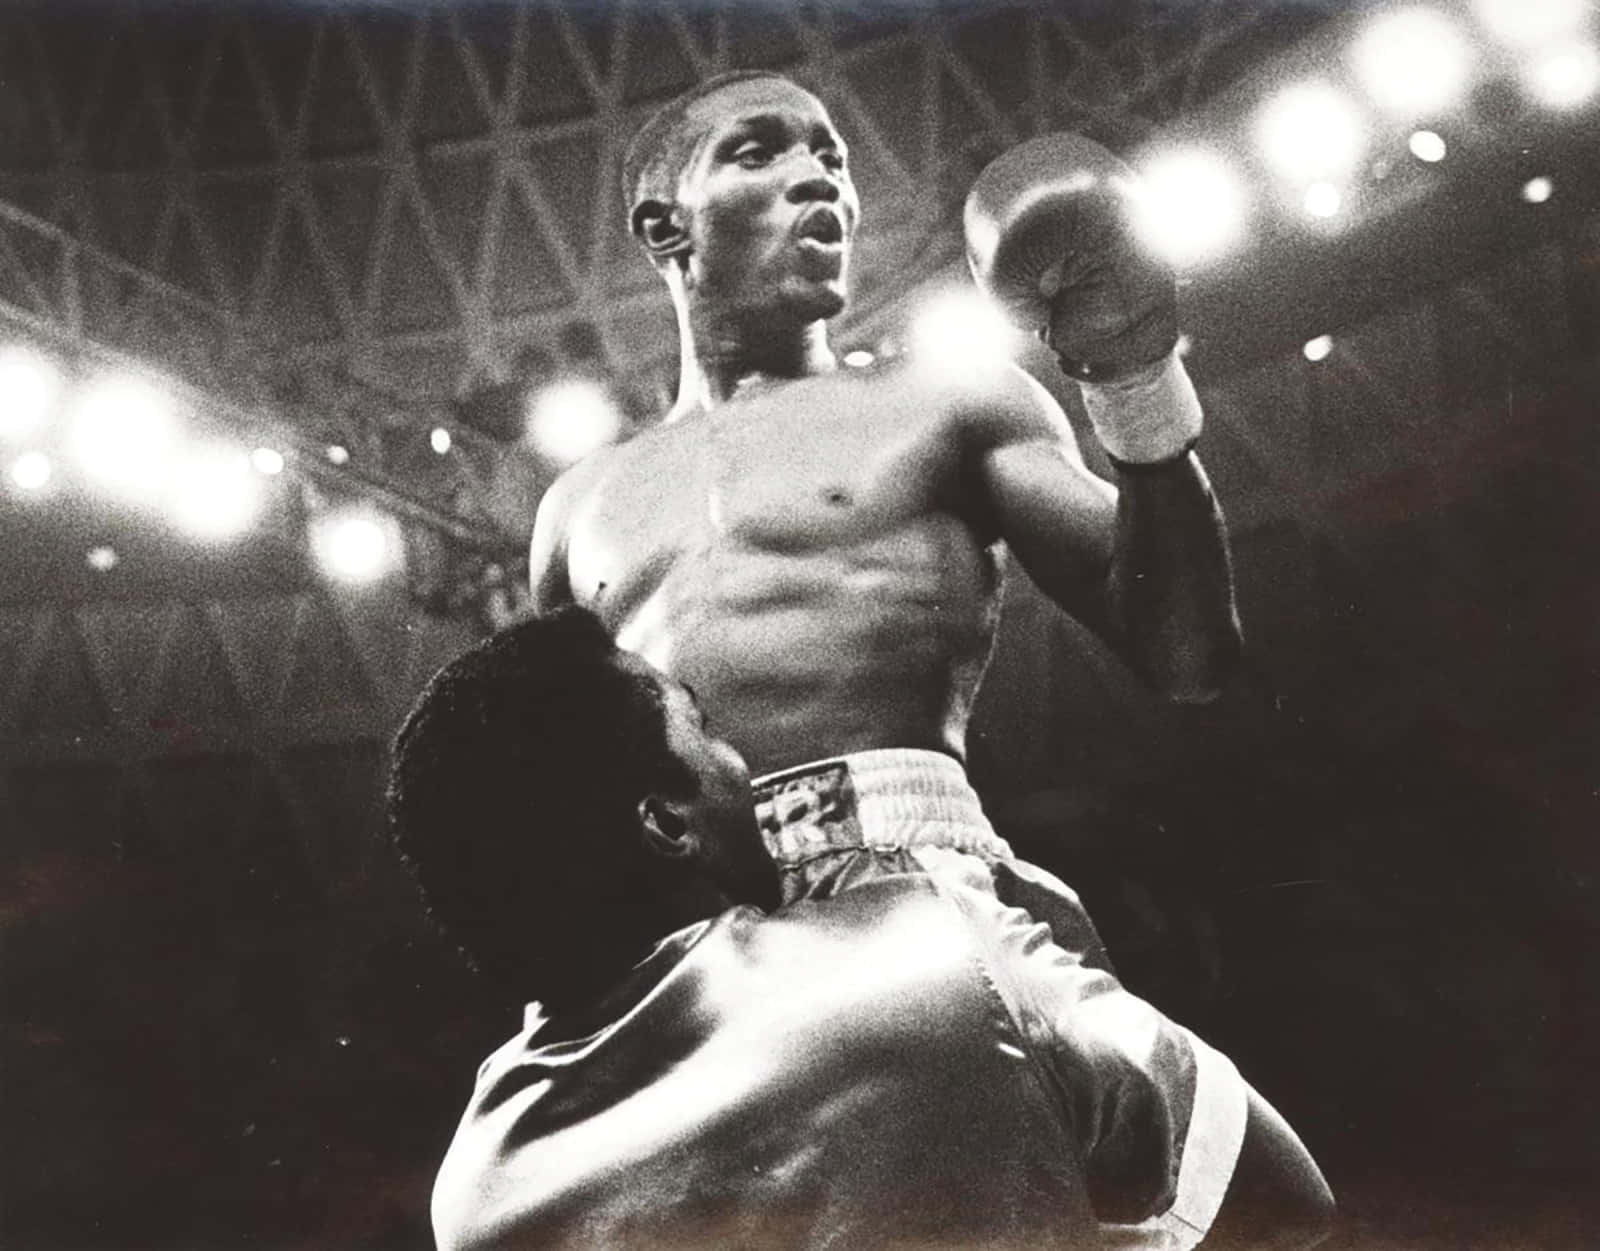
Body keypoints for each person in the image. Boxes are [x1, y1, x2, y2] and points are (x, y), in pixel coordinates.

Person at [526, 71, 1241, 922]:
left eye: (832, 156)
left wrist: (1134, 378)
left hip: (922, 883)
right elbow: (566, 800)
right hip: (685, 929)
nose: (818, 173)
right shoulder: (576, 508)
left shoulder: (952, 400)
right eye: (758, 151)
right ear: (664, 225)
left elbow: (1188, 658)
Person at [387, 609, 1333, 1250]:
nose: (742, 762)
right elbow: (1285, 1196)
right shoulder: (932, 941)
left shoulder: (472, 1195)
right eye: (702, 726)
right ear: (666, 822)